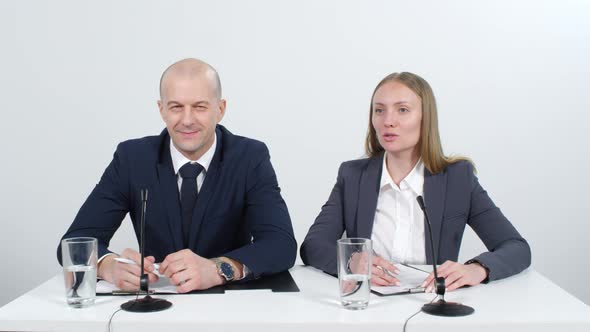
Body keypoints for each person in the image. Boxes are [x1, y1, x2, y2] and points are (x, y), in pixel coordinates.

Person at [57, 58, 296, 292]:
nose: (187, 120)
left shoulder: (250, 157)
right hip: (157, 307)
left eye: (200, 106)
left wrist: (216, 269)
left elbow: (281, 245)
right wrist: (108, 266)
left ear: (220, 109)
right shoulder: (132, 158)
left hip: (230, 306)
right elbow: (74, 242)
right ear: (161, 110)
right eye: (176, 107)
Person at [300, 72, 531, 292]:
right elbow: (313, 245)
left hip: (430, 303)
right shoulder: (352, 175)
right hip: (368, 304)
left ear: (425, 118)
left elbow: (516, 247)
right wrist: (351, 261)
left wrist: (475, 269)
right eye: (379, 110)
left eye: (402, 110)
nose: (388, 121)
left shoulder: (458, 178)